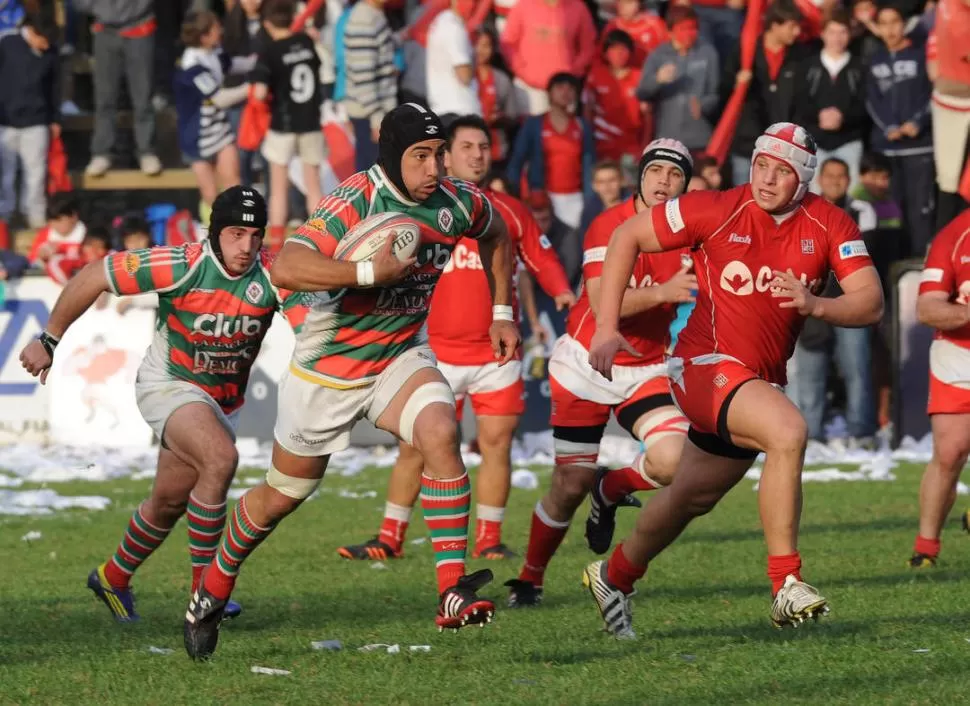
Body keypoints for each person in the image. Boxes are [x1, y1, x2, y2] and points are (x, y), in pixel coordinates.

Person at [182, 103, 521, 661]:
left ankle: (450, 592)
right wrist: (368, 272)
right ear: (392, 156)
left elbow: (498, 231)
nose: (435, 167)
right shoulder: (355, 198)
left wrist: (502, 310)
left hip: (398, 357)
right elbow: (288, 265)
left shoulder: (457, 201)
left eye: (439, 154)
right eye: (421, 156)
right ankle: (213, 586)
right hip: (329, 370)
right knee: (279, 498)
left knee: (440, 431)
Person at [585, 122, 883, 638]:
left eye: (782, 171)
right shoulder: (718, 207)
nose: (766, 179)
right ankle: (786, 584)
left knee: (690, 498)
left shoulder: (831, 223)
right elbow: (627, 234)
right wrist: (607, 326)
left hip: (754, 379)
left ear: (805, 179)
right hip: (703, 364)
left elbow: (871, 302)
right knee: (789, 432)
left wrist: (817, 304)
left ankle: (613, 576)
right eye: (761, 165)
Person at [18, 187, 284, 624]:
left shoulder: (273, 273)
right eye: (237, 233)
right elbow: (96, 274)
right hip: (169, 385)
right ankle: (206, 594)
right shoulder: (179, 263)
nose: (247, 246)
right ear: (215, 232)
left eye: (256, 235)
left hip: (223, 401)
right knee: (220, 459)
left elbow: (319, 320)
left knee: (168, 502)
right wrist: (49, 338)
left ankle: (112, 576)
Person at [336, 114, 574, 562]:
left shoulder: (508, 209)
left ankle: (488, 540)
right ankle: (389, 538)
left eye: (484, 147)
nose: (478, 155)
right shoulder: (417, 206)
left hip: (495, 355)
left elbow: (541, 256)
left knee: (496, 444)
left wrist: (561, 290)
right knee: (415, 446)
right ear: (446, 155)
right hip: (435, 350)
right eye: (467, 147)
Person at [505, 139, 697, 608]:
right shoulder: (609, 224)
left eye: (674, 177)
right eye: (656, 173)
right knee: (568, 485)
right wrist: (664, 292)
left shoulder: (692, 232)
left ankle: (610, 487)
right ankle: (530, 578)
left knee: (674, 462)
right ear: (641, 177)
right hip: (587, 366)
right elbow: (599, 298)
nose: (663, 183)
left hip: (647, 367)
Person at [909, 209, 970, 567]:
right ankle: (925, 549)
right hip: (958, 355)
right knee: (949, 453)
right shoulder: (954, 234)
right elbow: (927, 308)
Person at [254, 0, 323, 250]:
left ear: (268, 23)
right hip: (310, 122)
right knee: (313, 185)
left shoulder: (270, 52)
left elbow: (260, 93)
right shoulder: (306, 42)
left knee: (278, 188)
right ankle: (321, 238)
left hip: (282, 124)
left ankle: (275, 244)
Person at [173, 11, 245, 216]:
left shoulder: (213, 51)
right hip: (197, 137)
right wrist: (250, 88)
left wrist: (259, 63)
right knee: (210, 194)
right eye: (215, 28)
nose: (220, 30)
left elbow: (230, 64)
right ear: (203, 36)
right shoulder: (191, 67)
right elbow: (220, 98)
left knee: (234, 184)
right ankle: (212, 236)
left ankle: (238, 227)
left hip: (219, 129)